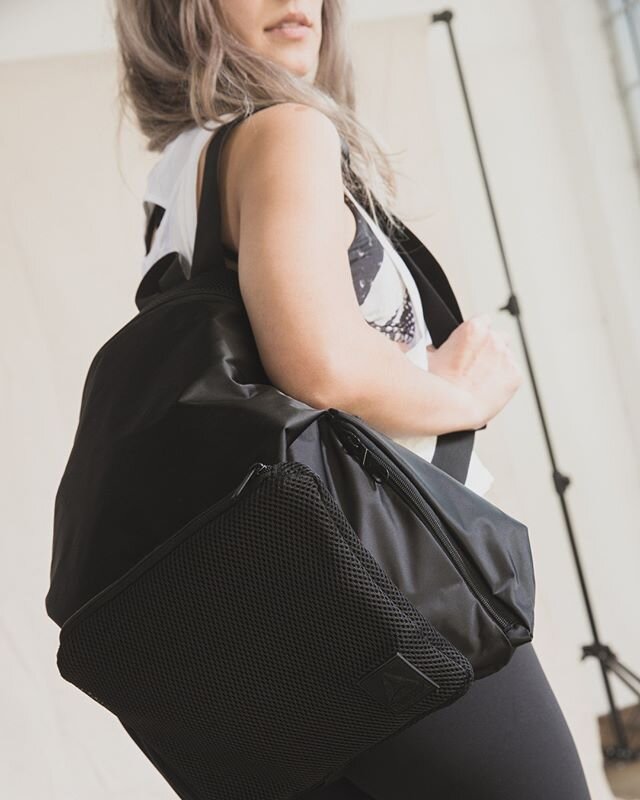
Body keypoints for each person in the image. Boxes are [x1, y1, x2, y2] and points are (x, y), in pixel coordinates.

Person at [114, 1, 592, 797]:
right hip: (392, 592)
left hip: (278, 631)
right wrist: (460, 394)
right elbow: (321, 365)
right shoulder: (284, 133)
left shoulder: (179, 180)